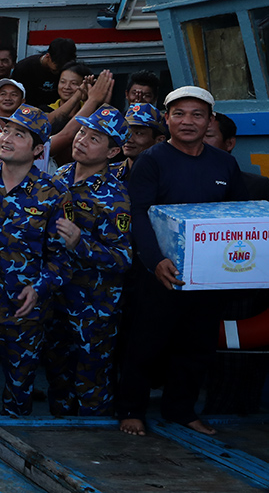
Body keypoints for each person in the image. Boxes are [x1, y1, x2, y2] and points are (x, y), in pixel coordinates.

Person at [117, 86, 248, 437]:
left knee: (197, 345)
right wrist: (155, 261)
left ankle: (181, 410)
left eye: (196, 115)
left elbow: (238, 216)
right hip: (159, 272)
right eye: (179, 114)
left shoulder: (225, 163)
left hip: (207, 275)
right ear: (167, 119)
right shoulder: (152, 161)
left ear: (210, 120)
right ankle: (131, 409)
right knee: (145, 343)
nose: (187, 121)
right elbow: (138, 214)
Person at [0, 105, 69, 435]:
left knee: (19, 389)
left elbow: (61, 258)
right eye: (6, 131)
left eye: (19, 134)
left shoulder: (53, 194)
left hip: (23, 311)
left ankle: (11, 444)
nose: (6, 138)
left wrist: (39, 288)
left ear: (38, 150)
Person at [45, 106, 131, 416]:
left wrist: (80, 243)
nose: (81, 140)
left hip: (93, 306)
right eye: (82, 132)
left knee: (91, 381)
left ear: (113, 151)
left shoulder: (115, 197)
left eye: (94, 138)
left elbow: (123, 258)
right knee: (57, 375)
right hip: (57, 296)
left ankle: (96, 437)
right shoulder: (60, 176)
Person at [202, 111, 269, 416]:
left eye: (208, 136)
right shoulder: (176, 181)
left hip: (242, 292)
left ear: (229, 143)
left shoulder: (260, 188)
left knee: (237, 368)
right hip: (190, 288)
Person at [12, 38, 76, 109]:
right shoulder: (24, 68)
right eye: (55, 70)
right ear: (48, 56)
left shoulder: (71, 70)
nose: (58, 73)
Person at [112, 102, 166, 181]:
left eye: (139, 133)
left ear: (159, 140)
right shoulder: (108, 174)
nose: (129, 140)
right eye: (126, 132)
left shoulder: (170, 177)